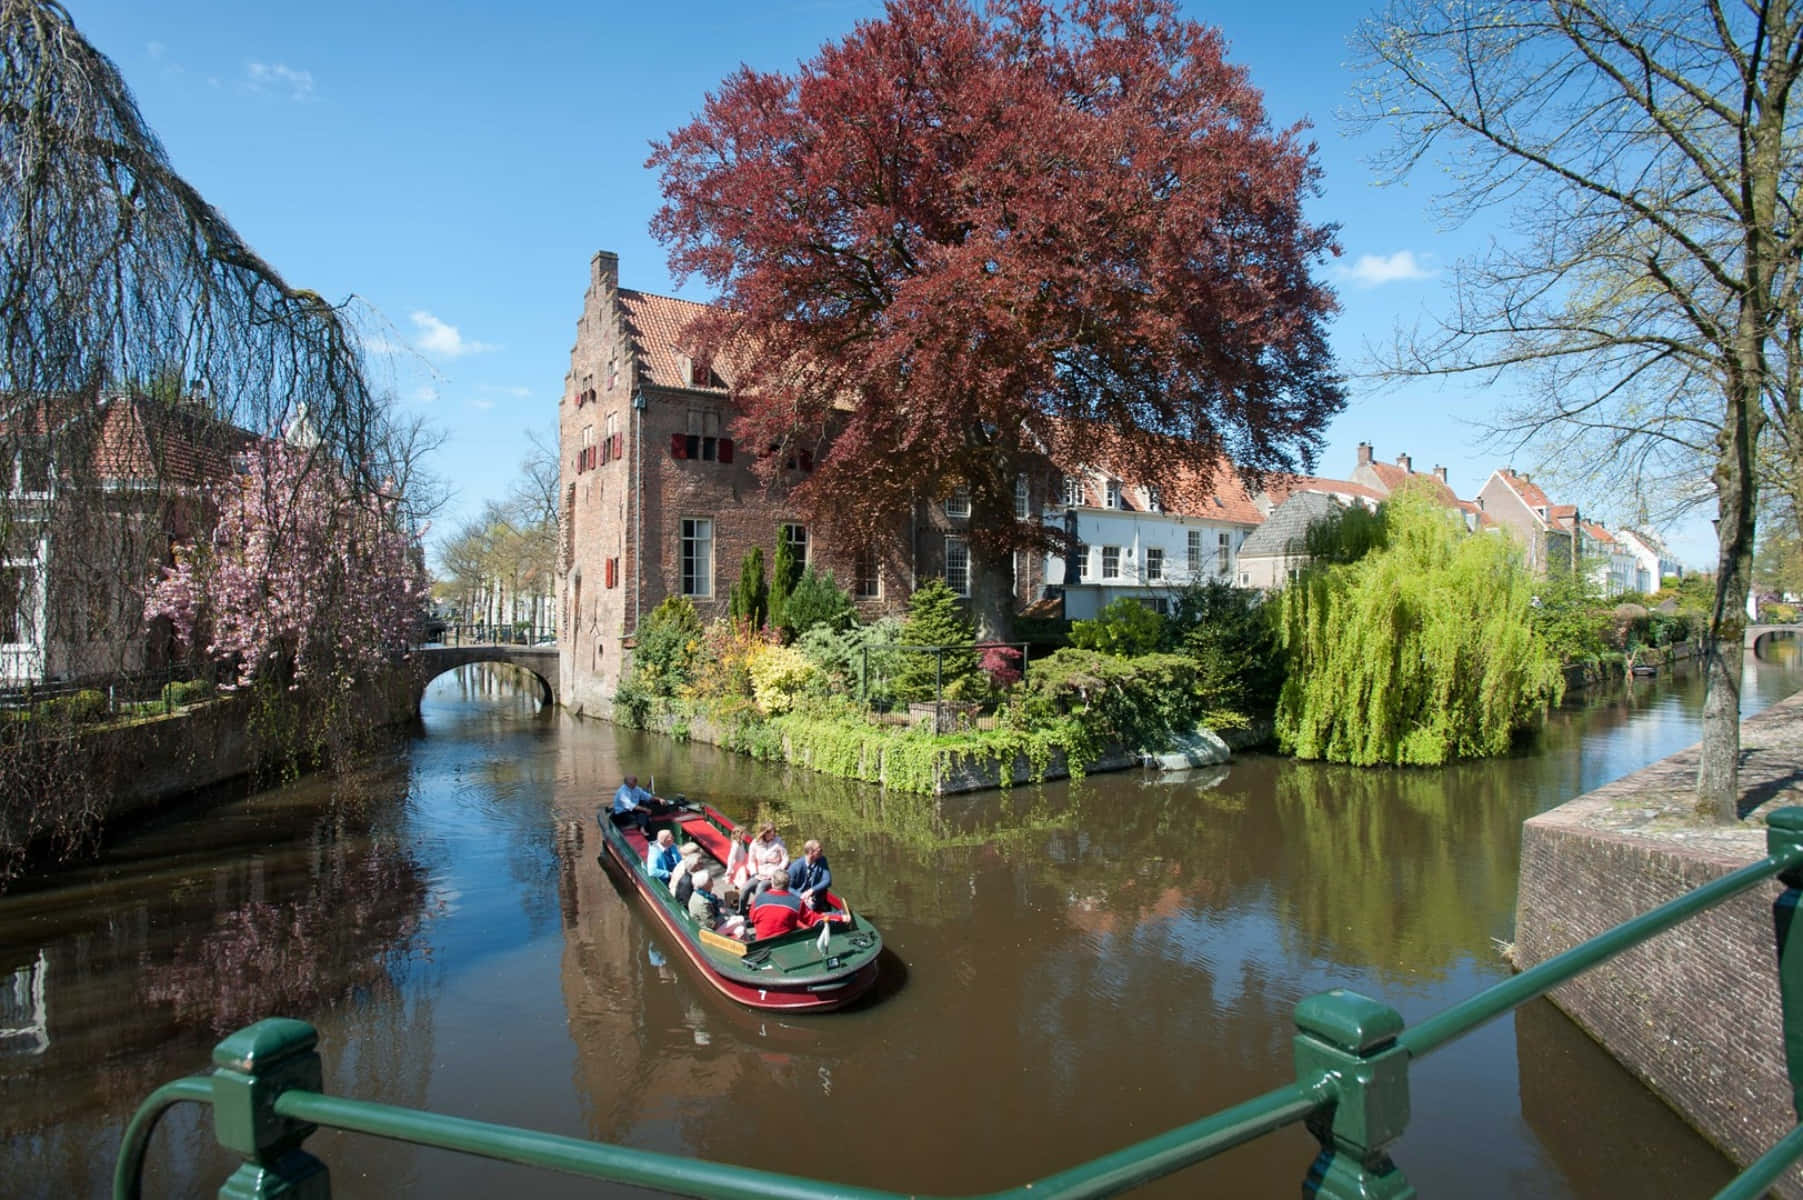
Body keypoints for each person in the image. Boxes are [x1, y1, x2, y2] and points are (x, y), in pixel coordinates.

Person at [746, 870, 821, 940]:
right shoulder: (797, 902)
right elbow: (813, 920)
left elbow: (752, 918)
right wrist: (830, 917)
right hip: (784, 942)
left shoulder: (758, 899)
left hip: (761, 942)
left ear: (772, 883)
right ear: (788, 884)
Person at [688, 871, 747, 939]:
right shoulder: (703, 903)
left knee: (740, 929)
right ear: (704, 884)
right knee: (740, 919)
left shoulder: (699, 893)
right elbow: (711, 925)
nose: (712, 880)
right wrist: (724, 918)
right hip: (708, 932)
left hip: (713, 924)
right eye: (709, 879)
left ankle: (744, 944)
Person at [787, 839, 833, 912]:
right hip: (799, 897)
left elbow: (827, 880)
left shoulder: (822, 860)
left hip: (815, 896)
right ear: (811, 852)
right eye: (820, 850)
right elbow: (788, 887)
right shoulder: (795, 866)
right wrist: (801, 896)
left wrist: (812, 890)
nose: (822, 852)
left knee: (814, 905)